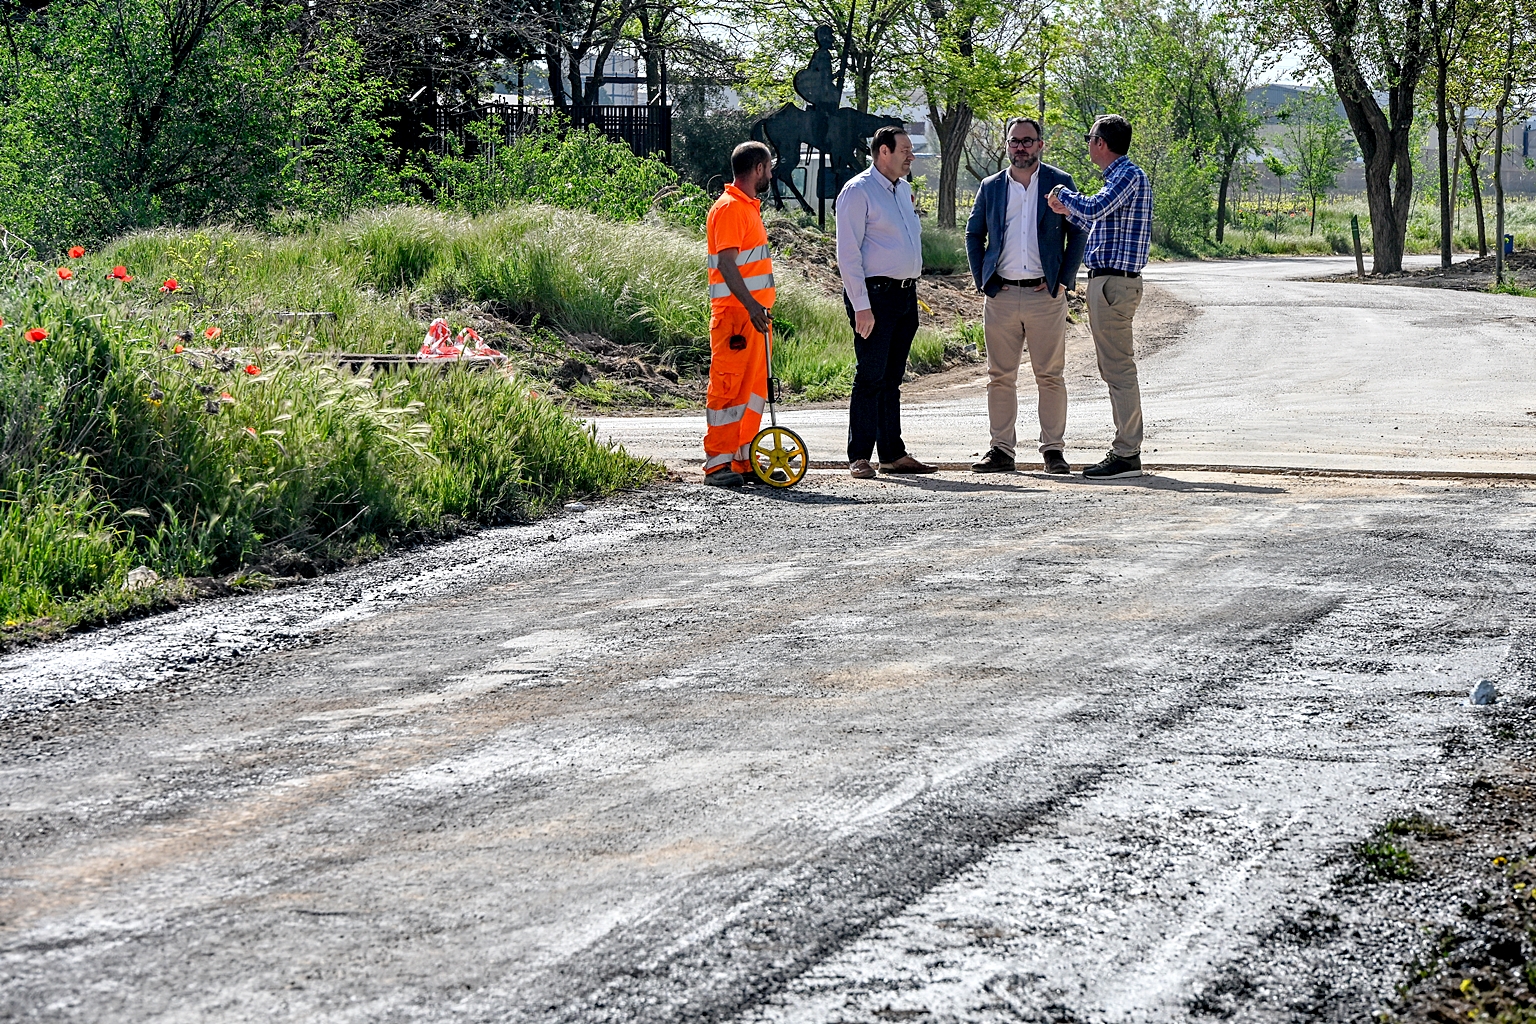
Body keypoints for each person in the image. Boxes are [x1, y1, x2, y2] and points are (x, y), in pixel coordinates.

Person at [964, 116, 1086, 474]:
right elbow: (974, 234)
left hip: (1045, 295)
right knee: (1000, 377)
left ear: (1040, 145)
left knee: (1050, 376)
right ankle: (1001, 450)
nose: (1021, 147)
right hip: (1000, 295)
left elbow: (1078, 232)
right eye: (1014, 141)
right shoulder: (991, 186)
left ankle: (1053, 451)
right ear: (1007, 146)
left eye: (1028, 141)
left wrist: (1063, 280)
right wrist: (983, 281)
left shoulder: (1060, 183)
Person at [1047, 114, 1153, 480]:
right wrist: (1069, 211)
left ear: (1101, 143)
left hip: (1113, 284)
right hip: (1108, 282)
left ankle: (1127, 453)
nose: (1088, 145)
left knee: (1118, 368)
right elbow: (1095, 222)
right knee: (1114, 367)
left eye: (1089, 138)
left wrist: (1063, 195)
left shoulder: (1128, 175)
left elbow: (1092, 208)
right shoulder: (1119, 179)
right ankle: (1126, 450)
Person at [835, 125, 937, 478]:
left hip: (905, 295)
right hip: (874, 297)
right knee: (870, 376)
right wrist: (861, 305)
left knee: (892, 378)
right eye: (905, 150)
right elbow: (848, 254)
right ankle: (859, 455)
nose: (911, 156)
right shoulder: (858, 191)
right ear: (883, 151)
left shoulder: (903, 190)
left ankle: (892, 454)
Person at [701, 141, 777, 487]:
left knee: (752, 392)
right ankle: (718, 464)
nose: (771, 175)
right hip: (736, 318)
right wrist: (751, 305)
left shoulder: (746, 207)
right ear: (758, 169)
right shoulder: (730, 208)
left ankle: (743, 460)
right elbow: (726, 264)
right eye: (769, 168)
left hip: (752, 318)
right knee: (729, 390)